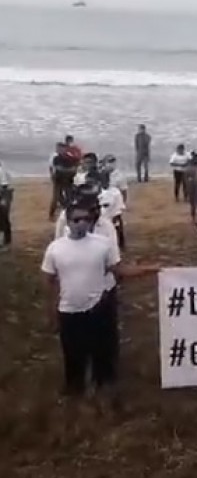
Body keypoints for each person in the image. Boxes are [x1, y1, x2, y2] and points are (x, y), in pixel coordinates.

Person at [41, 200, 122, 398]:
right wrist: (51, 313)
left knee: (102, 351)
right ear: (67, 222)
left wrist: (152, 270)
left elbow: (118, 272)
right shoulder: (55, 248)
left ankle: (104, 386)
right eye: (76, 219)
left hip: (98, 308)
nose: (82, 223)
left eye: (86, 219)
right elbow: (48, 281)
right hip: (69, 310)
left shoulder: (103, 245)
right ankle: (74, 388)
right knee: (73, 353)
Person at [49, 142, 79, 219]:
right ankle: (51, 215)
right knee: (56, 198)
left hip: (68, 181)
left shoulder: (70, 158)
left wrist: (68, 170)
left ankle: (68, 214)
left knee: (69, 198)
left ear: (65, 149)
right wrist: (69, 170)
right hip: (58, 180)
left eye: (61, 149)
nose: (59, 150)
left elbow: (75, 168)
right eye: (58, 149)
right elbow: (58, 168)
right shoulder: (56, 158)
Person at [98, 172, 126, 251]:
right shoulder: (97, 191)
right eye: (102, 180)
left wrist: (115, 218)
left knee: (117, 230)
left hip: (113, 216)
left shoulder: (115, 192)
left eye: (105, 180)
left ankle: (121, 244)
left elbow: (119, 208)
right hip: (102, 218)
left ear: (109, 180)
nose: (104, 182)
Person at [0, 159, 12, 249]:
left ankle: (6, 241)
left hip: (4, 195)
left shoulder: (1, 171)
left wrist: (3, 200)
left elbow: (5, 186)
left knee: (3, 218)